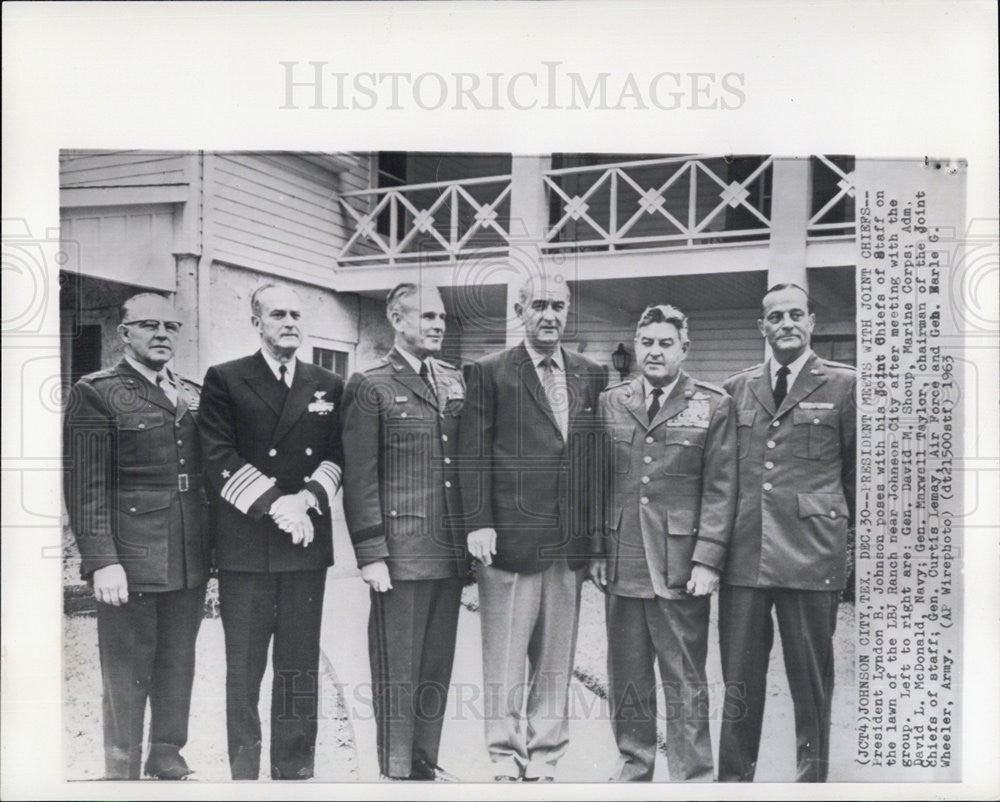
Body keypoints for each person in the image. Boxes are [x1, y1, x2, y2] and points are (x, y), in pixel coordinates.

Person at [458, 274, 607, 782]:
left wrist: (597, 540)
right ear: (520, 309)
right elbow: (471, 454)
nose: (550, 315)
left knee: (555, 662)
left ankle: (545, 758)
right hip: (509, 541)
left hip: (569, 543)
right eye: (539, 305)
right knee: (503, 660)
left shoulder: (591, 373)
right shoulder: (490, 372)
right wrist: (478, 523)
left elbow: (593, 459)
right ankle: (505, 756)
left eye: (559, 306)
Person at [197, 283, 344, 780]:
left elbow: (336, 455)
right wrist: (276, 504)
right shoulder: (226, 379)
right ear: (256, 322)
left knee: (300, 664)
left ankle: (295, 767)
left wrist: (307, 499)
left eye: (297, 314)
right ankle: (244, 771)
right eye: (277, 314)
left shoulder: (327, 382)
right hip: (248, 546)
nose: (289, 322)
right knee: (244, 667)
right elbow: (217, 456)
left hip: (305, 543)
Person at [63, 292, 210, 780]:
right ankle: (120, 768)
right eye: (149, 325)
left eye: (171, 326)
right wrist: (102, 559)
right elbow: (85, 483)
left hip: (187, 550)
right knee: (126, 671)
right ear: (124, 334)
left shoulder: (191, 392)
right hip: (130, 554)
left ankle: (167, 754)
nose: (162, 334)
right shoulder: (96, 390)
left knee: (178, 662)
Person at [590, 304, 737, 782]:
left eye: (665, 343)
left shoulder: (713, 404)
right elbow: (598, 480)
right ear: (637, 346)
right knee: (627, 675)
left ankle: (693, 777)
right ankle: (634, 767)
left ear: (684, 349)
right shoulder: (612, 401)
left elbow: (721, 487)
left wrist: (708, 559)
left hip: (680, 565)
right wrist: (596, 549)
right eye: (647, 342)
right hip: (623, 558)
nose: (655, 351)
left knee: (685, 679)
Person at [718, 283, 856, 783]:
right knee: (740, 685)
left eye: (796, 314)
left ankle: (810, 784)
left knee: (812, 685)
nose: (786, 324)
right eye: (775, 317)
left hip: (811, 557)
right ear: (762, 327)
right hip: (746, 557)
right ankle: (733, 784)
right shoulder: (737, 388)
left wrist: (845, 551)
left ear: (813, 322)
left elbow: (859, 478)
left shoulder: (845, 386)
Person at [341, 283, 466, 782]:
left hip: (448, 552)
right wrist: (370, 552)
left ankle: (423, 762)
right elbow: (360, 476)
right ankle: (396, 771)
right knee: (399, 668)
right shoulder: (370, 385)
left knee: (436, 666)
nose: (438, 325)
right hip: (400, 553)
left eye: (442, 317)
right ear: (396, 318)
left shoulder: (454, 380)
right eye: (427, 316)